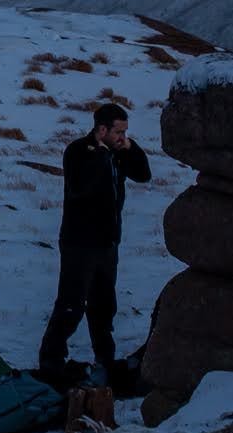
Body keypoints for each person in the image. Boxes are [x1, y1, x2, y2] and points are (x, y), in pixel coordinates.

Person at [38, 102, 151, 380]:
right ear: (102, 130)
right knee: (71, 303)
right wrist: (102, 157)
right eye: (119, 132)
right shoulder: (79, 152)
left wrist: (131, 149)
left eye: (125, 131)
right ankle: (51, 360)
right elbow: (79, 188)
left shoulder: (118, 153)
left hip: (108, 242)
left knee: (103, 304)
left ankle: (105, 358)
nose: (123, 136)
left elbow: (143, 175)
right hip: (80, 242)